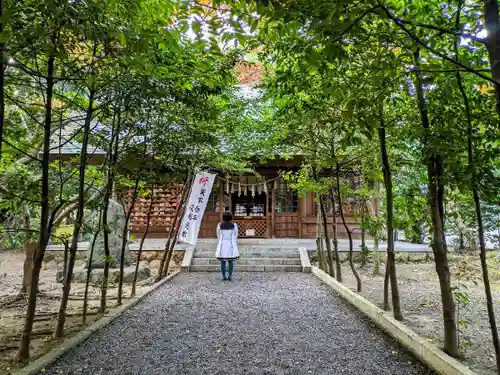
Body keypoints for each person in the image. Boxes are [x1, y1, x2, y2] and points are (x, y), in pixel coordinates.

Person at [215, 211, 239, 281]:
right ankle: (230, 276)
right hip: (231, 244)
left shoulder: (219, 225)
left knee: (223, 261)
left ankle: (223, 276)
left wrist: (221, 240)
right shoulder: (234, 225)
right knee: (231, 261)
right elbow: (235, 235)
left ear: (223, 217)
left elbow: (218, 235)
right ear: (231, 217)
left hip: (222, 244)